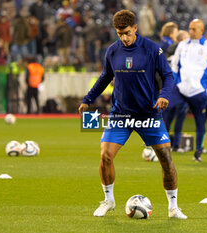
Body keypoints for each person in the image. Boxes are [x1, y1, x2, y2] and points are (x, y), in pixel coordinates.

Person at [78, 10, 187, 219]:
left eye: (127, 33)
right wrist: (88, 99)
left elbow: (167, 75)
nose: (124, 38)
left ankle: (173, 207)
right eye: (120, 34)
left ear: (135, 28)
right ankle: (108, 200)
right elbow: (104, 77)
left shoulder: (152, 49)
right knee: (105, 156)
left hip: (149, 115)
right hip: (121, 115)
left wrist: (164, 95)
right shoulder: (112, 51)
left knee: (165, 158)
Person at [171, 19, 207, 162]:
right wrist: (177, 84)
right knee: (165, 110)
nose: (191, 31)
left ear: (201, 31)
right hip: (181, 90)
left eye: (194, 29)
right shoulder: (182, 45)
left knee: (200, 121)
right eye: (190, 28)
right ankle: (159, 146)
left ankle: (198, 152)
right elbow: (174, 67)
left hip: (198, 92)